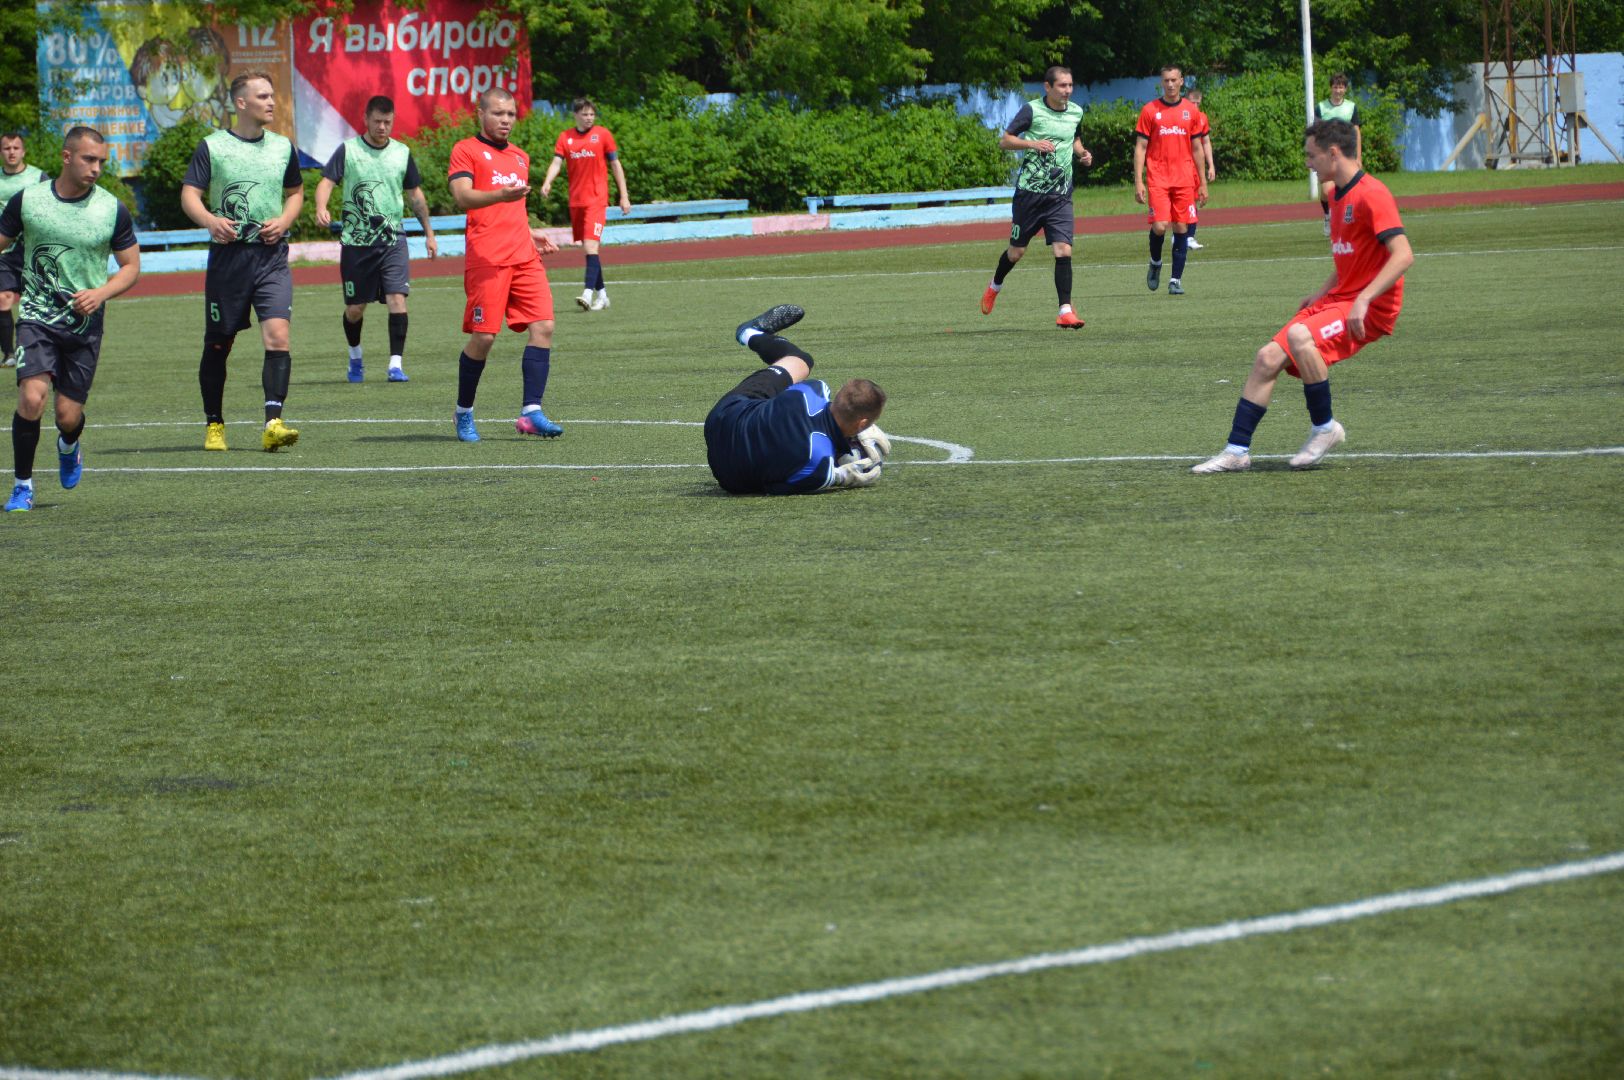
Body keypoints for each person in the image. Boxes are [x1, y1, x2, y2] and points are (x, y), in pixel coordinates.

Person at [1191, 119, 1411, 475]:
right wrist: (1320, 294)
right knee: (1267, 358)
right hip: (1341, 298)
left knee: (1299, 336)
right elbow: (1352, 258)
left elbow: (1403, 255)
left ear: (1333, 153)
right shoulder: (1335, 194)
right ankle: (1236, 451)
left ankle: (1325, 427)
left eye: (1312, 155)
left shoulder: (1372, 194)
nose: (1308, 163)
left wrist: (1364, 299)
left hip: (1372, 306)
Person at [2, 127, 140, 512]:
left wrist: (101, 293)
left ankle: (69, 444)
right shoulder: (28, 200)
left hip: (84, 326)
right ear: (67, 157)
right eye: (88, 159)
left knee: (67, 416)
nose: (96, 168)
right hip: (36, 318)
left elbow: (131, 267)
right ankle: (22, 486)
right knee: (32, 398)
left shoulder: (111, 209)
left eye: (101, 162)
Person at [180, 70, 305, 452]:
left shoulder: (282, 147)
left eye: (272, 95)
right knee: (219, 344)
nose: (271, 101)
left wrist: (284, 221)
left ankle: (273, 423)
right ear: (240, 103)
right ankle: (214, 424)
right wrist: (210, 221)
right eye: (263, 96)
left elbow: (295, 193)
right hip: (229, 261)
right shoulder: (213, 146)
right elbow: (189, 195)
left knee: (278, 336)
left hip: (271, 258)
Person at [447, 86, 563, 443]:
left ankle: (531, 412)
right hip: (488, 258)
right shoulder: (465, 150)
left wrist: (530, 233)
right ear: (480, 114)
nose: (506, 120)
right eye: (498, 113)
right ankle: (463, 412)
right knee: (484, 337)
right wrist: (500, 194)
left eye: (511, 114)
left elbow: (513, 211)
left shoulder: (519, 157)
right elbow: (462, 197)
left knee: (544, 326)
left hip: (524, 256)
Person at [315, 95, 438, 383]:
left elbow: (416, 196)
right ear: (366, 120)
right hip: (357, 244)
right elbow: (326, 182)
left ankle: (395, 365)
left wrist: (429, 234)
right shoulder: (348, 150)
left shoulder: (402, 153)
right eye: (377, 121)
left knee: (397, 298)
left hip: (393, 239)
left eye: (387, 122)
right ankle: (355, 356)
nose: (382, 127)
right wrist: (321, 207)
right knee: (355, 309)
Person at [706, 305, 891, 495]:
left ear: (837, 394)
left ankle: (751, 333)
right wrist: (837, 476)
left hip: (724, 418)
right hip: (730, 478)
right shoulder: (819, 468)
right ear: (862, 424)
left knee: (800, 361)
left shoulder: (814, 390)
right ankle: (751, 332)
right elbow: (776, 487)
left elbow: (797, 415)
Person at [980, 66, 1092, 329]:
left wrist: (1083, 153)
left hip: (1060, 195)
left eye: (1070, 85)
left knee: (1063, 250)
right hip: (1029, 196)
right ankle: (994, 286)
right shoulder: (1032, 110)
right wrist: (1032, 143)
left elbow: (1074, 139)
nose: (1067, 90)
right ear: (1048, 87)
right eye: (1062, 85)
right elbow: (1005, 141)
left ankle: (1065, 311)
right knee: (1016, 252)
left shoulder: (1076, 112)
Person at [540, 97, 631, 312]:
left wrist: (624, 195)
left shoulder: (603, 135)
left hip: (596, 200)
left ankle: (587, 294)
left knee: (591, 247)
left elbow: (616, 165)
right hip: (576, 201)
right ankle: (603, 295)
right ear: (575, 115)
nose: (589, 118)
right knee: (590, 251)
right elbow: (556, 162)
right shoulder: (565, 137)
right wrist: (547, 181)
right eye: (585, 114)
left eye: (592, 114)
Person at [1134, 64, 1208, 296]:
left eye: (1174, 80)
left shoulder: (1191, 111)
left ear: (1181, 81)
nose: (1170, 84)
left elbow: (1197, 148)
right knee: (1159, 226)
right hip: (1158, 178)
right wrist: (1138, 181)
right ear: (1161, 82)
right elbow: (1140, 148)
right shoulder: (1150, 110)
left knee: (1181, 227)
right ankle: (1155, 262)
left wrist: (1203, 182)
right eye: (1166, 80)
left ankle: (1175, 280)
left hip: (1184, 179)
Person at [0, 133, 49, 368]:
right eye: (6, 148)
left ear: (23, 151)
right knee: (3, 298)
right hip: (4, 251)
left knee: (37, 302)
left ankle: (36, 348)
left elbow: (51, 206)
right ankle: (9, 354)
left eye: (16, 147)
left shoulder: (38, 177)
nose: (11, 152)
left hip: (31, 250)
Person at [1315, 74, 1362, 235]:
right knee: (1327, 191)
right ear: (1331, 88)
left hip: (1346, 155)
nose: (1338, 90)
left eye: (1341, 87)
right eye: (1335, 87)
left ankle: (1346, 222)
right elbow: (1317, 133)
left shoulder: (1351, 107)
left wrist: (1358, 157)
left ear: (1345, 89)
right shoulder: (1321, 107)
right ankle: (1328, 216)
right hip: (1327, 156)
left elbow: (1356, 132)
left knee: (1349, 191)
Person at [1182, 86, 1215, 251]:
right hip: (1182, 165)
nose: (1195, 106)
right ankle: (1182, 235)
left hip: (1197, 167)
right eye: (1192, 103)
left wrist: (1211, 165)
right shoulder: (1180, 116)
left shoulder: (1202, 118)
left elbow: (1206, 142)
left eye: (1198, 103)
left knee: (1194, 200)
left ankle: (1188, 236)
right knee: (1185, 200)